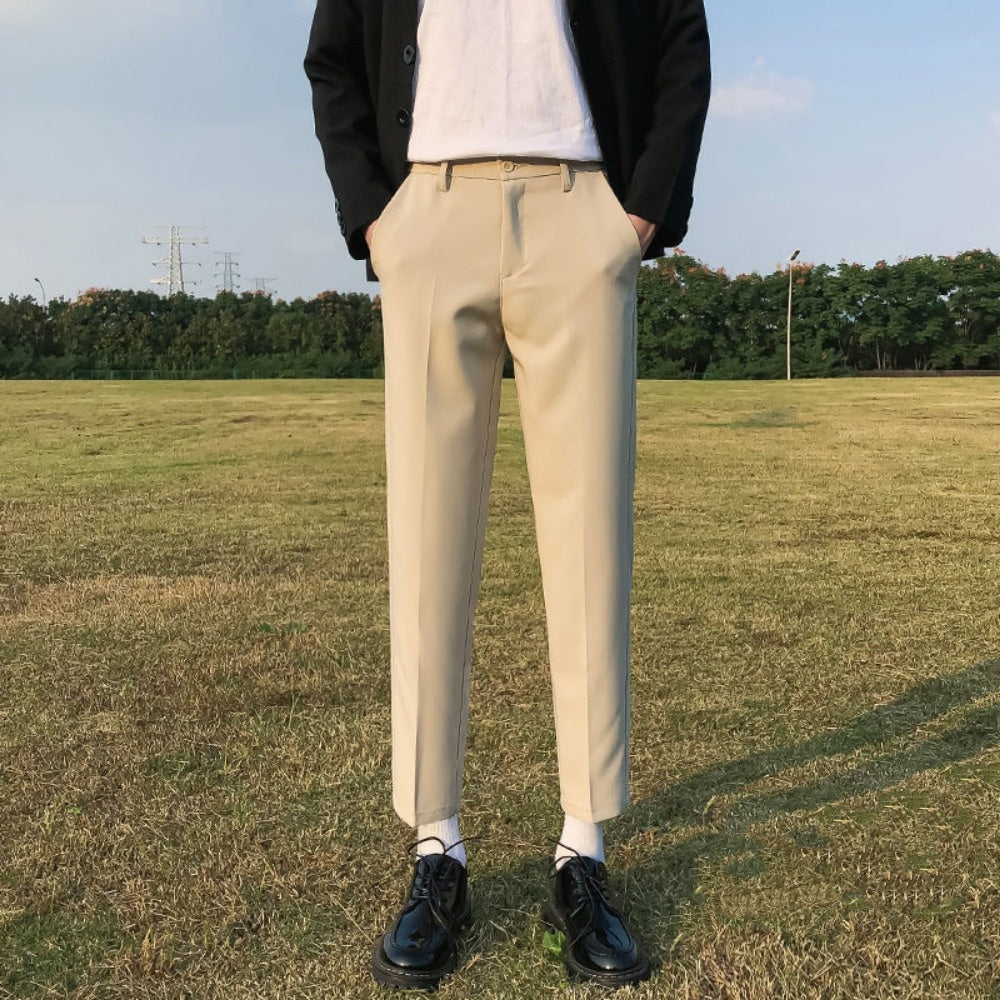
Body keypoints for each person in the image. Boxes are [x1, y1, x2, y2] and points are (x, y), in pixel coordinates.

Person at [304, 0, 711, 988]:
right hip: (428, 204)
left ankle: (583, 848)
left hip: (580, 202)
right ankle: (436, 846)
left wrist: (640, 210)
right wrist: (375, 218)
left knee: (590, 539)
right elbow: (333, 58)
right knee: (427, 539)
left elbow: (680, 39)